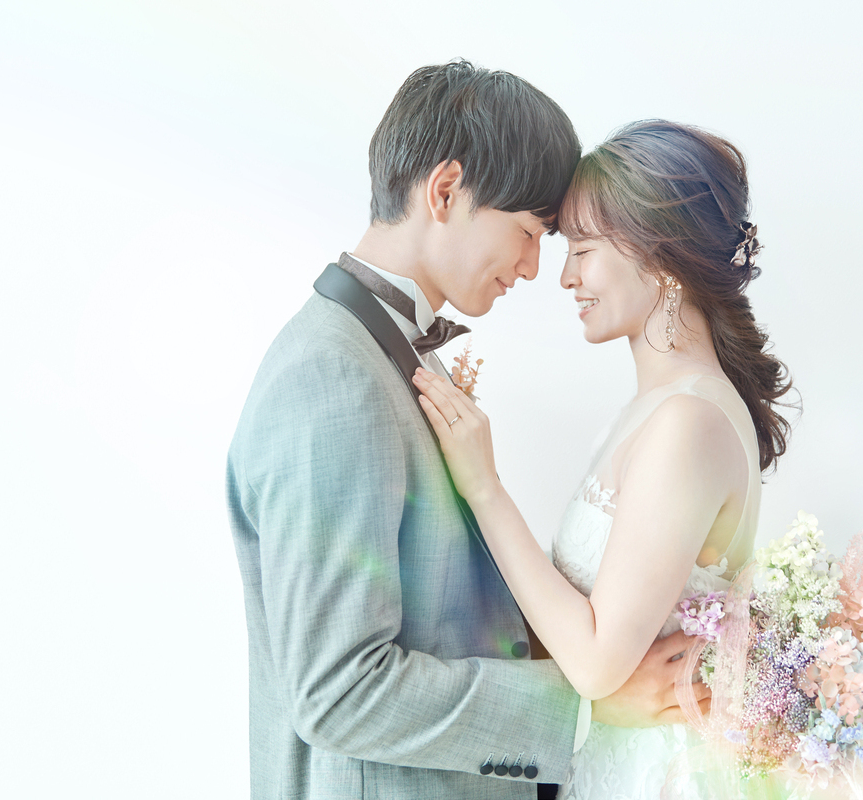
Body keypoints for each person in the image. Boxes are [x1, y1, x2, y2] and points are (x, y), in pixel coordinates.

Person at [225, 64, 708, 800]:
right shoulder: (330, 377)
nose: (534, 267)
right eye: (528, 232)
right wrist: (583, 708)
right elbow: (337, 691)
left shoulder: (387, 351)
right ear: (445, 190)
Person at [413, 119, 795, 798]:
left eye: (582, 250)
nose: (564, 276)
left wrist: (484, 488)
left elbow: (594, 663)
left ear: (662, 259)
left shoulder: (687, 422)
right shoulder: (658, 408)